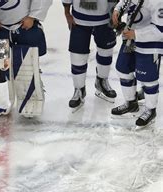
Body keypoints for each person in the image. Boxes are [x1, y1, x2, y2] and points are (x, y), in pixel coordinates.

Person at [111, 0, 162, 128]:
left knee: (148, 78)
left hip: (150, 43)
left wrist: (136, 34)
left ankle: (150, 110)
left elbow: (160, 29)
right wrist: (117, 10)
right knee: (123, 69)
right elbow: (126, 1)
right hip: (130, 39)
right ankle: (131, 103)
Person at [62, 0, 118, 110]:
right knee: (77, 56)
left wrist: (115, 13)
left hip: (105, 18)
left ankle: (101, 82)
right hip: (79, 20)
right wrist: (67, 13)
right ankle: (79, 89)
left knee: (106, 52)